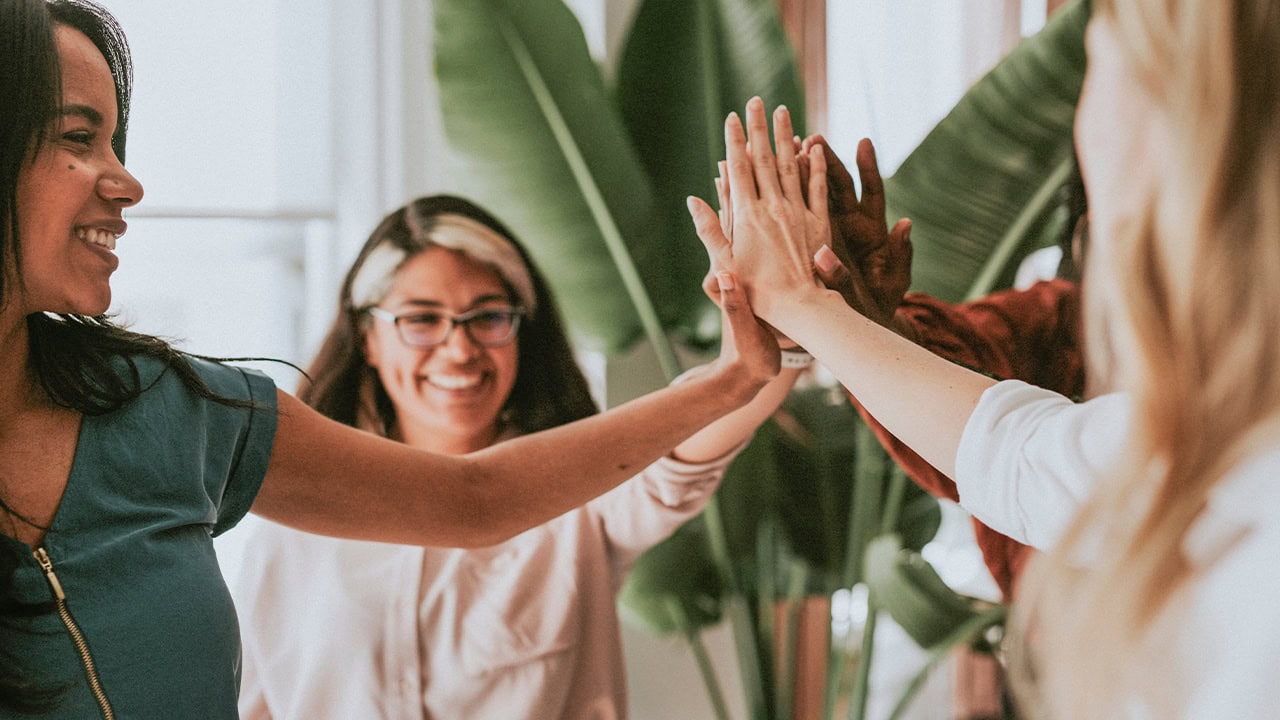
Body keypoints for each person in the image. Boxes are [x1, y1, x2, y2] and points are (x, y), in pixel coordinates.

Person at [0, 2, 798, 716]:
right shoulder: (289, 533)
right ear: (369, 333)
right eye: (79, 138)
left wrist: (748, 366)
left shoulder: (189, 419)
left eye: (489, 317)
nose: (129, 182)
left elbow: (480, 500)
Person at [688, 0, 1280, 711]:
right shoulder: (1092, 349)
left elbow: (1019, 454)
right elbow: (1004, 438)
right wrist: (847, 317)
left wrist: (808, 307)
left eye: (1101, 69)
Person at [229, 195, 804, 719]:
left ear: (522, 332)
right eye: (422, 320)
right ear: (369, 338)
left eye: (488, 318)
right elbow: (257, 702)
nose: (459, 349)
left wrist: (782, 334)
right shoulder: (294, 516)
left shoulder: (584, 495)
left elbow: (686, 456)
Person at [806, 134, 1088, 600]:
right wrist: (863, 319)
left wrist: (808, 309)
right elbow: (969, 384)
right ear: (1085, 238)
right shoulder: (1058, 320)